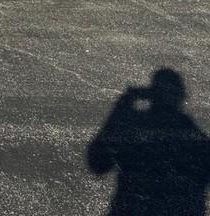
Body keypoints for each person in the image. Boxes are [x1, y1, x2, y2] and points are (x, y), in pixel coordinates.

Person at [88, 68, 210, 215]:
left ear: (151, 95)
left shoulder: (132, 128)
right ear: (181, 96)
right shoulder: (193, 136)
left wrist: (121, 108)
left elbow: (98, 163)